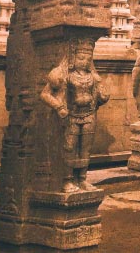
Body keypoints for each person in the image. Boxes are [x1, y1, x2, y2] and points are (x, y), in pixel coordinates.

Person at [40, 39, 109, 192]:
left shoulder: (93, 76)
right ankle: (67, 180)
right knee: (69, 147)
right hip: (71, 115)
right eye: (81, 58)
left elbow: (102, 96)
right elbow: (45, 94)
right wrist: (59, 107)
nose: (84, 62)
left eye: (88, 59)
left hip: (89, 115)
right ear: (73, 58)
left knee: (85, 148)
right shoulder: (64, 75)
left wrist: (103, 94)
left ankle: (82, 179)